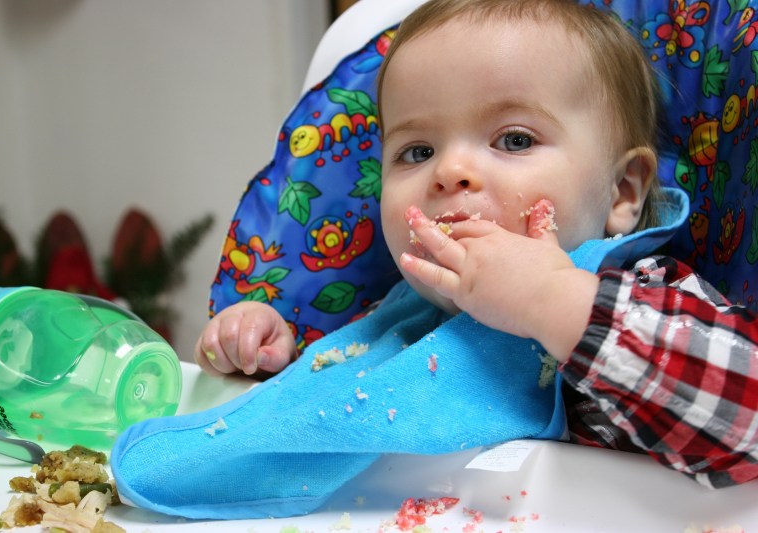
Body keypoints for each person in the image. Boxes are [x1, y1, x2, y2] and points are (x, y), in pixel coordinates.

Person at [195, 0, 758, 488]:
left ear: (622, 192)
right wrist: (266, 357)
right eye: (416, 152)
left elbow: (746, 417)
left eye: (514, 139)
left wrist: (557, 302)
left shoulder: (645, 296)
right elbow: (313, 425)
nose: (451, 170)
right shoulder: (393, 320)